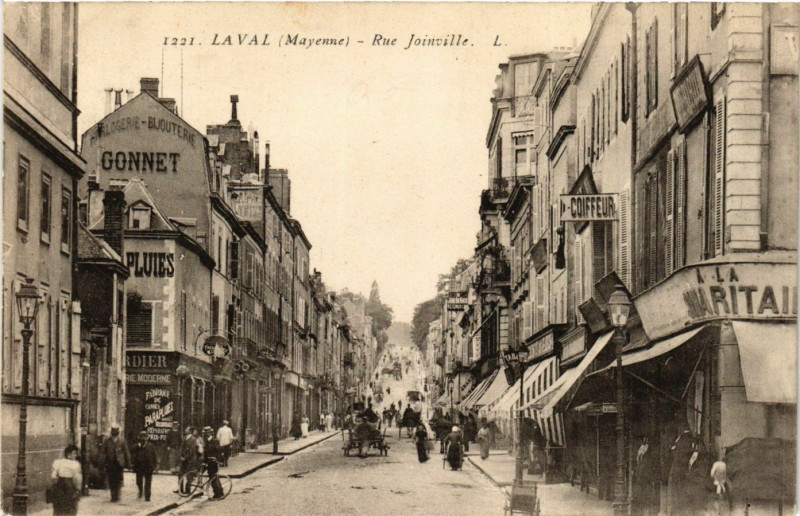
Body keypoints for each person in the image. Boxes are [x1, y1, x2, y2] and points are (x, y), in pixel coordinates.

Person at [102, 425, 131, 502]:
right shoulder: (107, 441)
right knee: (111, 480)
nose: (114, 436)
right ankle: (113, 496)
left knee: (118, 479)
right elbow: (103, 452)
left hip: (119, 463)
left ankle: (117, 495)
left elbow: (126, 452)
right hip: (110, 463)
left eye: (115, 434)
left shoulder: (122, 441)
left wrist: (128, 463)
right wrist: (102, 462)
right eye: (113, 434)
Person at [50, 444, 82, 515]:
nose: (76, 455)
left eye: (76, 453)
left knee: (59, 508)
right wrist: (78, 489)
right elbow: (77, 479)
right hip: (70, 487)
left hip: (59, 486)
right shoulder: (75, 464)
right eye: (74, 453)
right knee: (71, 507)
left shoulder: (58, 462)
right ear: (68, 454)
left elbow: (53, 476)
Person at [130, 431, 157, 501]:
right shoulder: (137, 445)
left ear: (147, 437)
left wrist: (155, 465)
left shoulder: (151, 445)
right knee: (139, 481)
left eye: (144, 437)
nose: (143, 438)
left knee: (148, 482)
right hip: (139, 466)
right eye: (141, 437)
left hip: (148, 466)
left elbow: (154, 455)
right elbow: (131, 451)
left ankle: (147, 497)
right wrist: (137, 446)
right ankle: (140, 490)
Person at [202, 427, 225, 499]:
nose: (206, 434)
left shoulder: (214, 441)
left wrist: (216, 459)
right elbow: (206, 453)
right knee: (213, 477)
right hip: (209, 462)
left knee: (213, 477)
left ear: (210, 433)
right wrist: (204, 461)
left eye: (207, 433)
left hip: (213, 462)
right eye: (205, 433)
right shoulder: (207, 441)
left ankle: (217, 494)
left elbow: (219, 451)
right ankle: (220, 491)